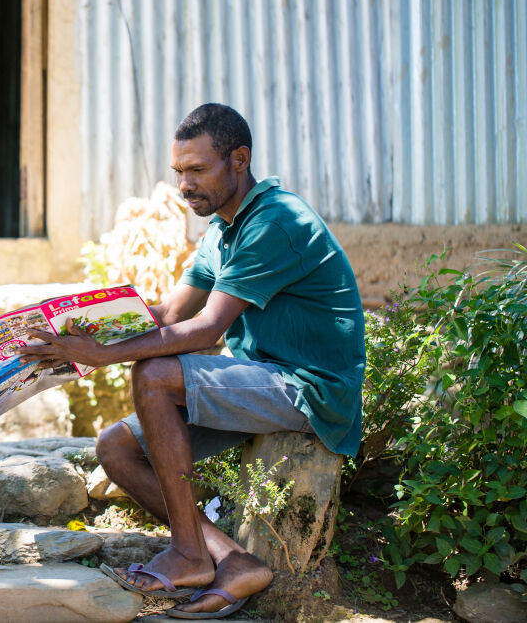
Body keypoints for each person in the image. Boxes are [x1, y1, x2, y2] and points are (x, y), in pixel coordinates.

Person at [18, 103, 365, 619]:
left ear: (239, 160)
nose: (184, 185)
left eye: (197, 170)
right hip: (260, 380)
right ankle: (231, 559)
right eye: (179, 171)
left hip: (307, 388)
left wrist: (106, 355)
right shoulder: (222, 230)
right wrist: (76, 330)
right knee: (115, 447)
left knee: (154, 375)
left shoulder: (276, 221)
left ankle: (187, 553)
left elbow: (205, 331)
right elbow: (171, 313)